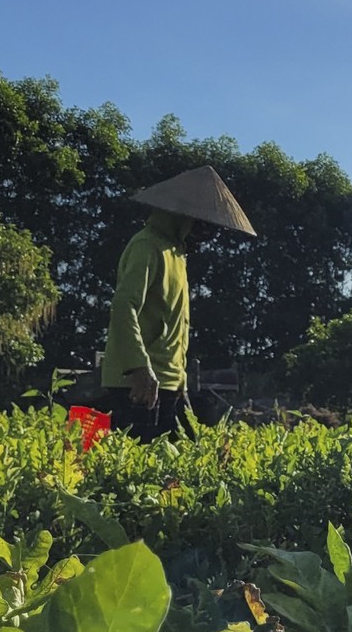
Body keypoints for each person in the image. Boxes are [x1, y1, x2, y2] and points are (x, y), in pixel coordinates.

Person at [101, 166, 256, 440]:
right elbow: (124, 307)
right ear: (181, 217)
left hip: (170, 381)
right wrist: (139, 367)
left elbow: (175, 330)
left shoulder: (178, 256)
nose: (206, 234)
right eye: (201, 224)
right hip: (137, 384)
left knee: (182, 464)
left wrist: (181, 380)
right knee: (143, 471)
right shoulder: (147, 247)